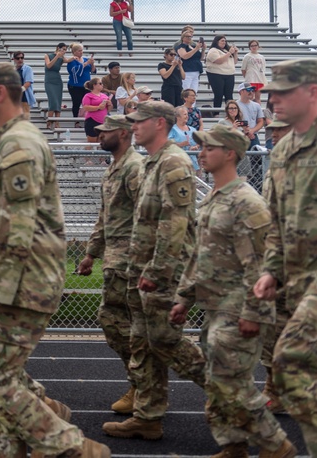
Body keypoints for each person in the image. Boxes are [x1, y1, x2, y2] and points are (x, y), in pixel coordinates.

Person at [0, 63, 109, 458]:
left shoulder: (18, 144)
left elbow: (17, 228)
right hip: (9, 280)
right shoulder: (3, 140)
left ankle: (70, 446)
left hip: (21, 283)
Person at [168, 124, 295, 458]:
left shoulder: (246, 202)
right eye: (201, 147)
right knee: (217, 381)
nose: (201, 152)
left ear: (230, 154)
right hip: (214, 305)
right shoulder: (213, 198)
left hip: (238, 307)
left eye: (209, 147)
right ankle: (232, 445)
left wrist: (253, 312)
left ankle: (274, 443)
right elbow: (200, 255)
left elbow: (261, 265)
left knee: (231, 383)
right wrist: (184, 297)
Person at [252, 59, 317, 456]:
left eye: (284, 91)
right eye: (272, 90)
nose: (273, 98)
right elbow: (277, 219)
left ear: (313, 93)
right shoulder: (286, 148)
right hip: (300, 280)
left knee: (292, 363)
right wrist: (272, 269)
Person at [103, 100, 205, 442]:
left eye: (139, 121)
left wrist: (158, 271)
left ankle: (233, 394)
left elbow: (175, 225)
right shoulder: (151, 163)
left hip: (161, 272)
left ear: (159, 123)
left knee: (166, 341)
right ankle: (147, 416)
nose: (133, 127)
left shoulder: (174, 162)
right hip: (140, 269)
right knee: (143, 342)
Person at [76, 115, 143, 415]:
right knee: (114, 323)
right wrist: (91, 252)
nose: (100, 135)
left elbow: (147, 215)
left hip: (131, 260)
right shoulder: (114, 168)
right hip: (114, 260)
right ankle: (141, 384)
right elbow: (105, 215)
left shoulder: (134, 168)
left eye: (107, 131)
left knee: (130, 326)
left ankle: (144, 386)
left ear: (125, 134)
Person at [205, 35, 239, 109]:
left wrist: (235, 53)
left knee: (229, 95)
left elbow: (235, 62)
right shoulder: (213, 50)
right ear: (217, 42)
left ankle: (230, 112)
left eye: (225, 41)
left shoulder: (226, 51)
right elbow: (219, 61)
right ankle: (216, 113)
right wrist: (229, 53)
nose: (224, 42)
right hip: (216, 74)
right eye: (222, 41)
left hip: (229, 74)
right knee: (218, 94)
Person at [43, 42, 68, 129]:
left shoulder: (62, 58)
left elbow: (68, 60)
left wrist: (76, 57)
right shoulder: (48, 55)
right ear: (58, 48)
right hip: (49, 80)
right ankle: (49, 121)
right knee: (53, 101)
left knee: (58, 101)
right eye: (63, 49)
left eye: (65, 50)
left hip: (58, 80)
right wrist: (57, 56)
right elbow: (49, 65)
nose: (64, 51)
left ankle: (57, 122)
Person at [66, 43, 94, 119]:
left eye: (82, 51)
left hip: (87, 85)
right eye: (79, 51)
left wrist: (92, 63)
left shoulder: (85, 59)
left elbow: (93, 71)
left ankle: (88, 118)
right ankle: (76, 120)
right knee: (76, 103)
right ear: (74, 52)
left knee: (88, 103)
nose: (81, 52)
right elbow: (75, 71)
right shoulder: (72, 60)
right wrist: (86, 63)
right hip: (75, 86)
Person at [81, 78, 112, 143]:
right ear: (94, 85)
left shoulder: (104, 96)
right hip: (92, 120)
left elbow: (108, 109)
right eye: (100, 83)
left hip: (103, 121)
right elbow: (86, 107)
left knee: (102, 142)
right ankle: (88, 153)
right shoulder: (88, 96)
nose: (102, 85)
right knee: (91, 142)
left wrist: (110, 104)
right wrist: (98, 107)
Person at [168, 106, 200, 171]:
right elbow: (168, 144)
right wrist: (180, 145)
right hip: (178, 163)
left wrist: (196, 147)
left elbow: (199, 142)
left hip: (193, 163)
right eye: (185, 114)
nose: (187, 116)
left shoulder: (193, 129)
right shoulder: (172, 129)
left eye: (187, 114)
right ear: (178, 117)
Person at [174, 27, 204, 94]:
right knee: (186, 90)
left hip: (196, 70)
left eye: (190, 36)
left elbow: (200, 58)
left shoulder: (192, 46)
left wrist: (203, 49)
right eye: (187, 36)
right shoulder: (181, 46)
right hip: (187, 70)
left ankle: (192, 104)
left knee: (194, 91)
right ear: (183, 37)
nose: (189, 38)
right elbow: (184, 56)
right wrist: (196, 48)